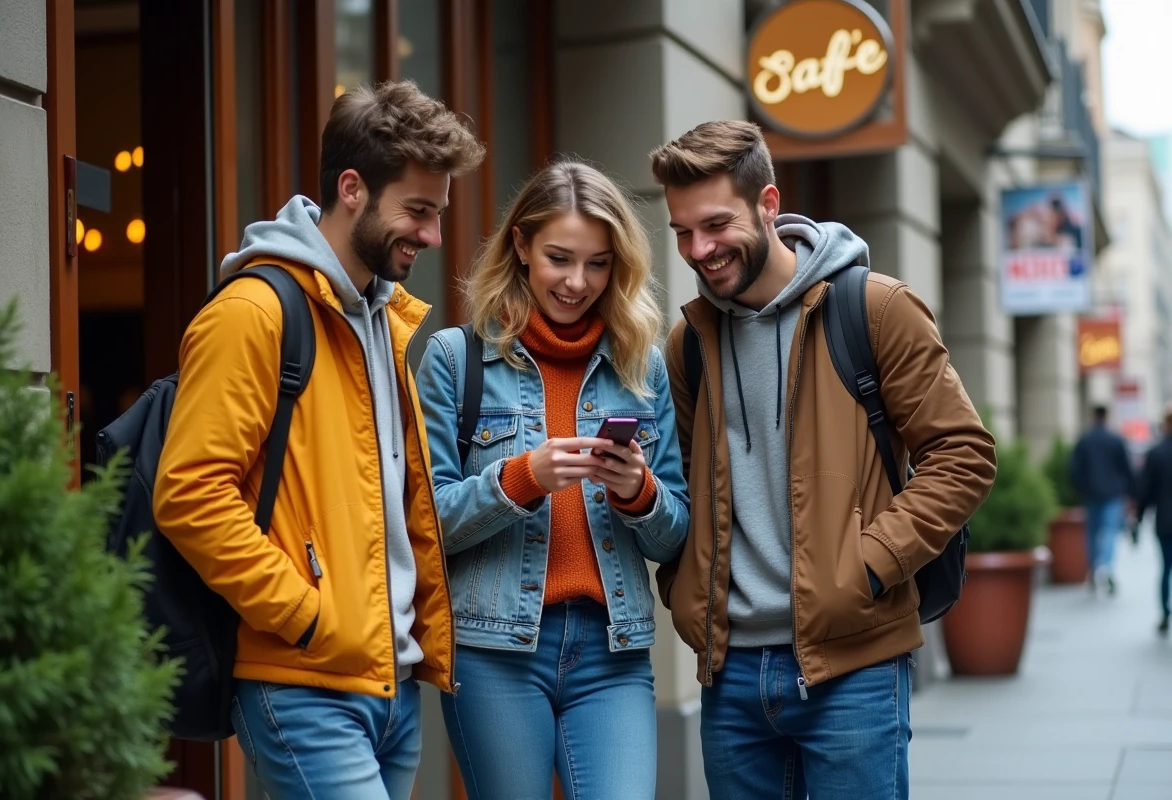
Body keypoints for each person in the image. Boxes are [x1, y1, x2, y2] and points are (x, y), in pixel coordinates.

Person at [153, 80, 485, 799]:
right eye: (418, 211)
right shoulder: (253, 312)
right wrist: (306, 619)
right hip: (304, 682)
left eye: (438, 213)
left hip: (391, 685)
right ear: (352, 188)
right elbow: (189, 495)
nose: (431, 235)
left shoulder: (381, 319)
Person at [647, 120, 997, 800]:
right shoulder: (688, 342)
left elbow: (963, 454)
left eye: (716, 224)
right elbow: (681, 482)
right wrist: (685, 588)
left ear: (768, 204)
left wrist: (864, 567)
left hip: (854, 663)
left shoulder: (873, 308)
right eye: (683, 232)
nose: (700, 249)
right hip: (730, 672)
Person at [415, 159, 690, 800]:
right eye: (560, 258)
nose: (577, 281)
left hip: (612, 651)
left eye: (598, 263)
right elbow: (424, 523)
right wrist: (521, 478)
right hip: (493, 652)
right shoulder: (457, 361)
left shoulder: (641, 366)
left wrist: (639, 493)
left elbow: (674, 535)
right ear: (521, 245)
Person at [1071, 405, 1135, 594]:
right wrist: (1130, 492)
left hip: (1091, 494)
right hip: (1112, 494)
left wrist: (1081, 489)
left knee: (1092, 533)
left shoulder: (1085, 440)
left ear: (1093, 415)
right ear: (1106, 416)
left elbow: (1075, 469)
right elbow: (1126, 468)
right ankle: (1106, 566)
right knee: (1109, 531)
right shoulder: (1115, 439)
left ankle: (1092, 569)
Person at [1132, 403, 1172, 634]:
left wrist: (1137, 519)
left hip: (1165, 521)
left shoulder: (1156, 453)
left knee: (1166, 567)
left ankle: (1165, 612)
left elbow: (1145, 490)